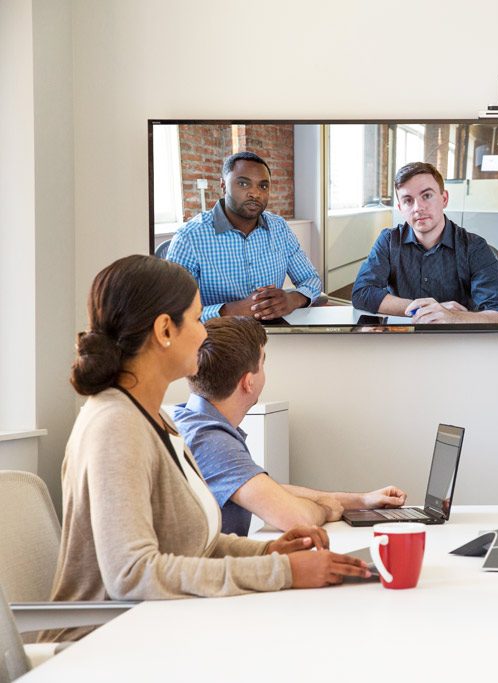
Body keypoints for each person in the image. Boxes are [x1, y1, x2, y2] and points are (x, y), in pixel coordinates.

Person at [43, 255, 369, 643]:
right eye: (197, 319)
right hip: (101, 645)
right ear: (165, 329)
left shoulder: (153, 418)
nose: (203, 333)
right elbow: (133, 575)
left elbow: (190, 547)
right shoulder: (116, 425)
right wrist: (284, 573)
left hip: (154, 629)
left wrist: (268, 555)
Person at [173, 316, 408, 536]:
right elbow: (297, 519)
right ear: (248, 382)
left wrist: (362, 501)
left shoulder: (191, 421)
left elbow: (264, 490)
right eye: (263, 364)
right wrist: (325, 509)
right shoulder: (211, 441)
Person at [166, 151, 322, 323]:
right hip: (217, 337)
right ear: (223, 185)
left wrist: (293, 299)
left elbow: (311, 279)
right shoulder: (188, 237)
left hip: (274, 330)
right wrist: (229, 310)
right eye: (243, 183)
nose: (255, 194)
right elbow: (173, 313)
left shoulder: (280, 228)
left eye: (263, 186)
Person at [351, 161, 498, 324]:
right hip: (403, 338)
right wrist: (429, 310)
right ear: (400, 208)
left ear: (444, 198)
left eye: (427, 196)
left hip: (456, 339)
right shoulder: (389, 240)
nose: (418, 207)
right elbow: (362, 293)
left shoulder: (474, 247)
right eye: (408, 200)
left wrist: (453, 317)